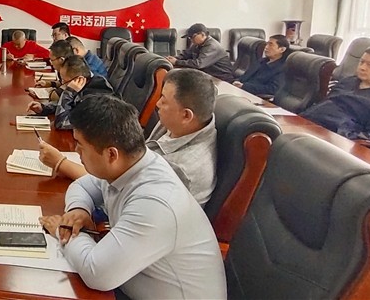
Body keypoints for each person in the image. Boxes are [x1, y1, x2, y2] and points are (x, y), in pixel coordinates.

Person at [38, 95, 226, 299]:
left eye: (80, 145)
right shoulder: (131, 165)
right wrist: (79, 210)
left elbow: (97, 274)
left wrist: (64, 231)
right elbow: (82, 185)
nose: (76, 151)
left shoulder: (155, 202)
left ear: (111, 154)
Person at [41, 69, 218, 207]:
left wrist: (61, 163)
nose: (157, 104)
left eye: (164, 100)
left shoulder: (183, 168)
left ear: (186, 115)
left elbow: (117, 186)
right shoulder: (178, 123)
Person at [301, 45, 370, 142]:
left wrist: (337, 136)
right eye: (361, 62)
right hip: (307, 124)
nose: (362, 68)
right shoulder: (348, 81)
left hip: (333, 141)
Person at [28, 55, 113, 130]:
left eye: (65, 81)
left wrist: (69, 92)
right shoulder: (86, 84)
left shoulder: (95, 96)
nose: (62, 84)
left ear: (79, 79)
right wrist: (44, 108)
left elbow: (61, 123)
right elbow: (72, 106)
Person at [166, 23, 234, 82]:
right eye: (189, 38)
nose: (191, 40)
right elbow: (186, 54)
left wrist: (176, 62)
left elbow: (199, 64)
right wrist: (172, 59)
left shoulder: (212, 46)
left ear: (202, 34)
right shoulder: (197, 44)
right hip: (207, 75)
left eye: (192, 37)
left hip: (221, 78)